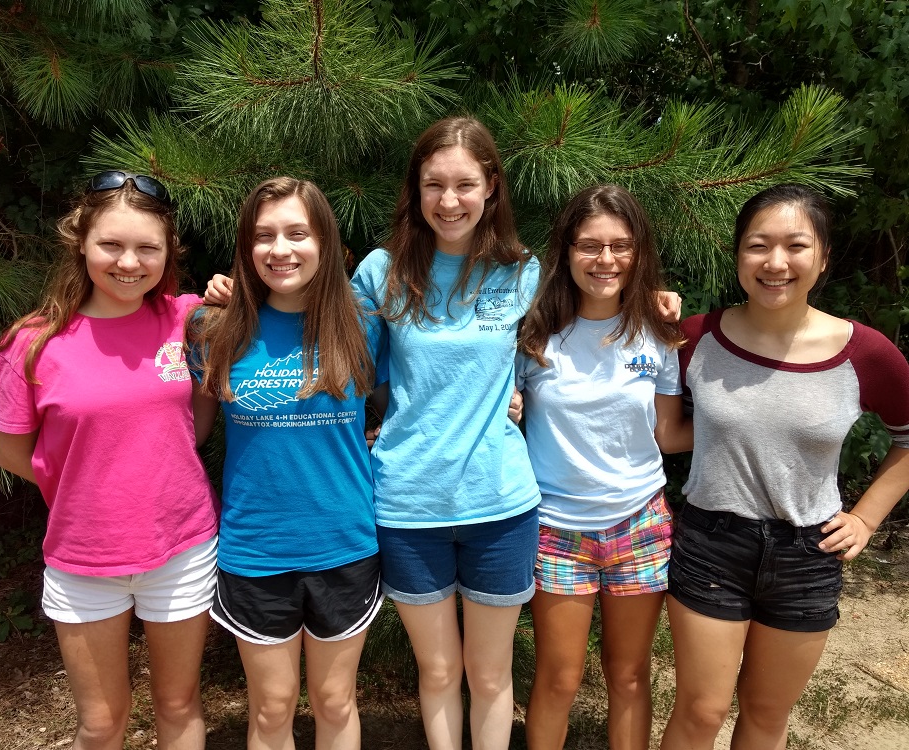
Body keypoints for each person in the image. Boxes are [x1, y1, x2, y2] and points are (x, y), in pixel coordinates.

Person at [660, 183, 909, 750]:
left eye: (795, 245)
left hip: (808, 554)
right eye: (757, 246)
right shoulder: (695, 338)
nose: (775, 262)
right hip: (712, 543)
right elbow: (655, 418)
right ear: (738, 254)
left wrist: (867, 519)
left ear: (822, 257)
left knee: (767, 716)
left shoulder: (865, 353)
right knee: (701, 710)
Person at [0, 171, 219, 750]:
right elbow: (12, 451)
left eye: (148, 247)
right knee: (101, 722)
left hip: (182, 547)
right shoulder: (34, 343)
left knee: (179, 704)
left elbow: (199, 418)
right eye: (111, 245)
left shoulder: (187, 319)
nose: (128, 262)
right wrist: (88, 484)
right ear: (81, 242)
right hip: (83, 557)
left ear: (167, 253)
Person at [348, 116, 541, 750]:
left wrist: (658, 303)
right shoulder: (381, 272)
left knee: (490, 675)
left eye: (464, 184)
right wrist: (237, 300)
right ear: (416, 189)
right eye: (434, 184)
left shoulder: (523, 272)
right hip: (407, 503)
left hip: (500, 501)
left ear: (491, 187)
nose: (449, 201)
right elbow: (335, 355)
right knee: (436, 670)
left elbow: (584, 337)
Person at [187, 177, 386, 750]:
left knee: (334, 700)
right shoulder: (212, 328)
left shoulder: (364, 324)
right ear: (246, 248)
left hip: (345, 542)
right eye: (264, 235)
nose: (281, 249)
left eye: (297, 233)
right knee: (272, 709)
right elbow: (185, 432)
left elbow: (412, 405)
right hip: (256, 547)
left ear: (325, 243)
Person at [516, 184, 692, 750]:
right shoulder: (533, 334)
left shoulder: (659, 332)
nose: (606, 260)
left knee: (630, 676)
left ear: (639, 251)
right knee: (560, 677)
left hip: (639, 523)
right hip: (555, 528)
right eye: (589, 245)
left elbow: (667, 433)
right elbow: (498, 413)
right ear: (566, 251)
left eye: (620, 245)